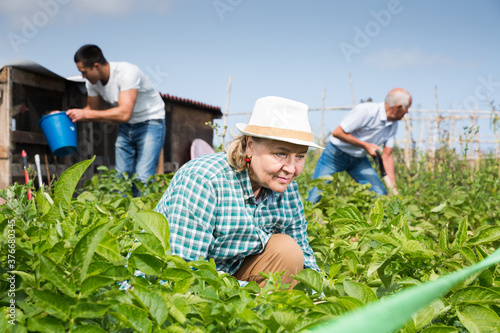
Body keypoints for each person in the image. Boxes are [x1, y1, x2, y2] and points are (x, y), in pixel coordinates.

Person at [155, 96, 323, 288]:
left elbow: (302, 247)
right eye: (280, 154)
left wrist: (318, 294)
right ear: (250, 146)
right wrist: (247, 294)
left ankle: (268, 312)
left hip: (230, 271)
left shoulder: (286, 186)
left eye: (300, 156)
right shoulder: (205, 180)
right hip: (175, 281)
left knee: (288, 250)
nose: (291, 169)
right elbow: (183, 268)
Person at [66, 44, 166, 187]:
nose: (83, 76)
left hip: (150, 121)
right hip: (127, 124)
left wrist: (87, 113)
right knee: (121, 175)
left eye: (84, 72)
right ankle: (123, 208)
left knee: (143, 175)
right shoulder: (92, 82)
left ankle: (145, 207)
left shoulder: (127, 72)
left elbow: (124, 113)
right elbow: (91, 110)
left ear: (96, 66)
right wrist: (67, 115)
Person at [307, 88, 412, 203]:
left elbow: (387, 156)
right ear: (398, 107)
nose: (407, 112)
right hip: (335, 154)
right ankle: (305, 219)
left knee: (380, 194)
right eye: (407, 108)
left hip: (359, 160)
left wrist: (393, 188)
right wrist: (366, 146)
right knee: (314, 196)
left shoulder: (393, 124)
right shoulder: (366, 111)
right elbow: (338, 133)